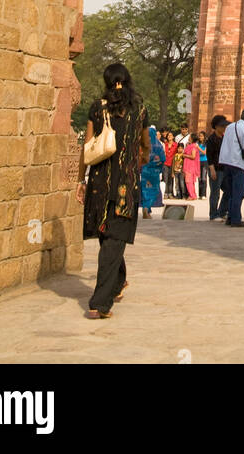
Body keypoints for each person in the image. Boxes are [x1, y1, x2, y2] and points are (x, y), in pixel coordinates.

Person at [76, 62, 150, 319]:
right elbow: (145, 146)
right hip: (125, 186)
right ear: (127, 80)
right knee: (112, 239)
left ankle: (116, 283)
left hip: (99, 183)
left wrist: (80, 181)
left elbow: (86, 147)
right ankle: (100, 302)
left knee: (108, 238)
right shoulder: (139, 109)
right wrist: (139, 158)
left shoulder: (98, 108)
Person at [219, 107, 244, 226]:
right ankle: (235, 219)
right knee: (238, 193)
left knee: (230, 192)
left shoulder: (230, 127)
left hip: (227, 162)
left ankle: (230, 217)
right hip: (238, 163)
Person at [206, 114, 228, 221]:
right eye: (222, 126)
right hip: (215, 169)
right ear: (216, 126)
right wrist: (212, 169)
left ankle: (222, 211)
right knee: (215, 192)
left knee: (228, 190)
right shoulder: (211, 139)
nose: (224, 128)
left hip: (224, 168)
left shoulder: (224, 138)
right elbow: (209, 155)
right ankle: (213, 214)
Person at [140, 124, 165, 218]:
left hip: (145, 172)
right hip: (154, 173)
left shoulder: (145, 145)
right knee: (154, 190)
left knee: (146, 190)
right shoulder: (159, 146)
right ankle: (147, 208)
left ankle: (146, 208)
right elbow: (163, 159)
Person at [183, 134, 201, 201]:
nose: (188, 138)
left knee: (188, 181)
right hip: (189, 166)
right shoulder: (190, 146)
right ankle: (193, 195)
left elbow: (193, 156)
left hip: (190, 166)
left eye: (190, 137)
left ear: (192, 138)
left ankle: (192, 196)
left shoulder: (193, 147)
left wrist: (185, 155)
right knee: (190, 181)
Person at [163, 131, 176, 198]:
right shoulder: (165, 144)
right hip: (165, 163)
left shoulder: (176, 145)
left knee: (171, 178)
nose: (169, 137)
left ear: (173, 137)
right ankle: (166, 192)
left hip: (172, 163)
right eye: (168, 136)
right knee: (166, 178)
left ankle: (170, 193)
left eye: (171, 135)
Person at [197, 131, 208, 199]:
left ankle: (204, 194)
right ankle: (200, 194)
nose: (200, 137)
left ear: (204, 137)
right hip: (198, 162)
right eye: (199, 136)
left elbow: (204, 152)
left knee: (204, 178)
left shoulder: (206, 144)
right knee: (199, 179)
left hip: (204, 162)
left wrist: (198, 148)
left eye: (201, 136)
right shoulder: (197, 143)